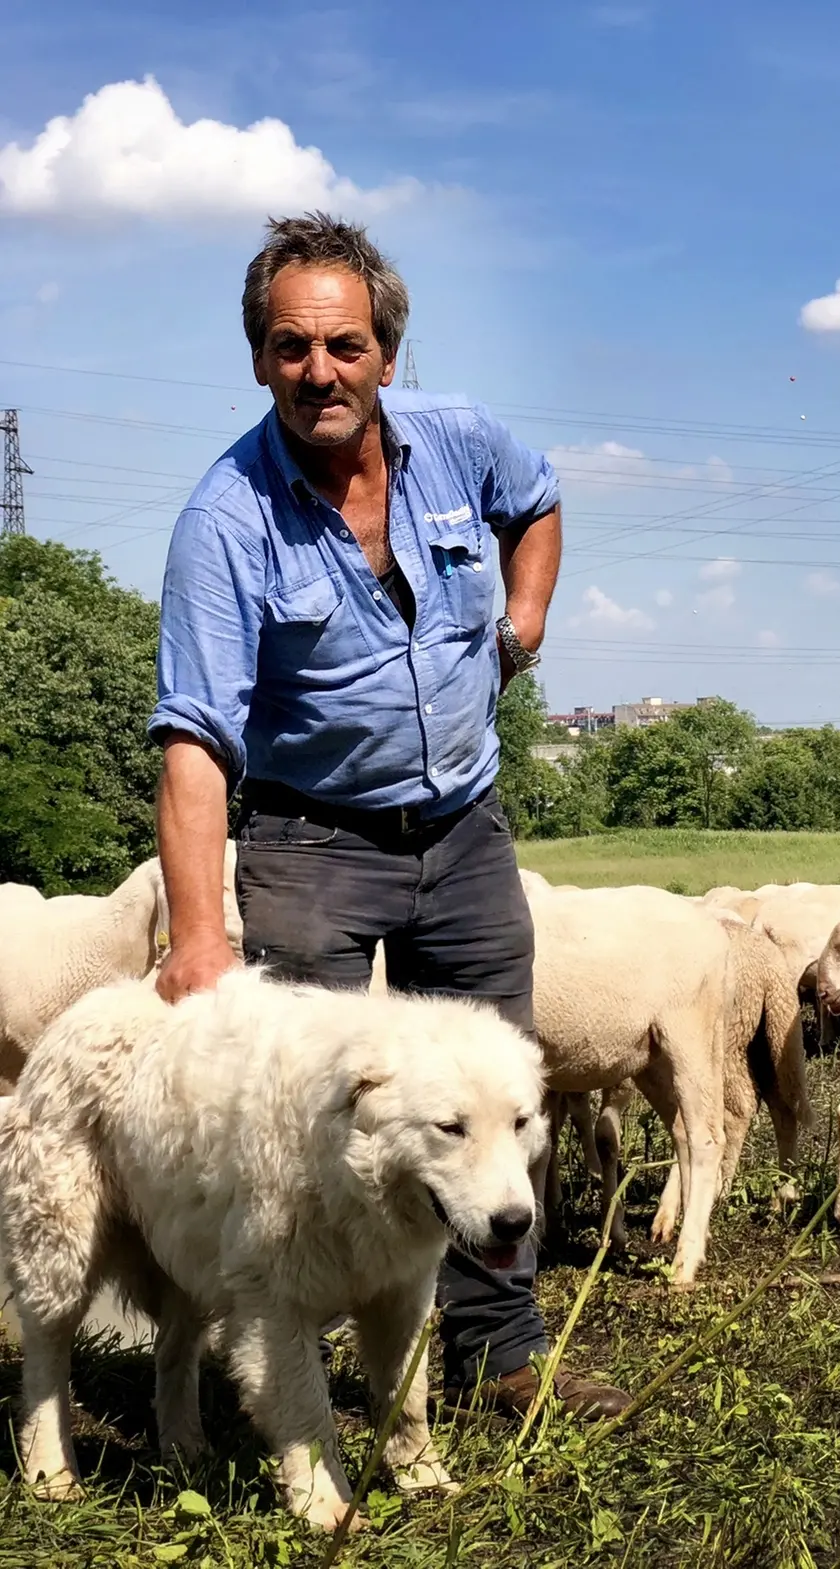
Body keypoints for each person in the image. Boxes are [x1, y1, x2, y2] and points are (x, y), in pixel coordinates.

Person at [150, 212, 629, 1418]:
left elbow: (542, 498)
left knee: (480, 1104)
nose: (322, 372)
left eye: (346, 346)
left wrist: (524, 624)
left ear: (387, 356)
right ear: (260, 359)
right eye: (292, 347)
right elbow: (196, 739)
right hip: (310, 840)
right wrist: (202, 939)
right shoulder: (225, 521)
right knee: (312, 1119)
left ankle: (499, 1355)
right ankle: (300, 1364)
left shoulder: (462, 441)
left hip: (464, 829)